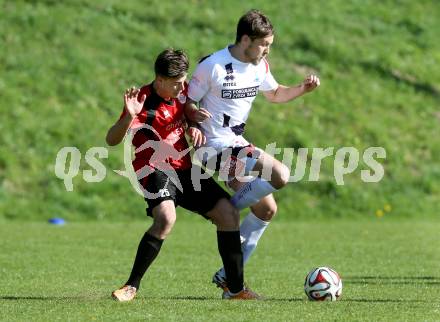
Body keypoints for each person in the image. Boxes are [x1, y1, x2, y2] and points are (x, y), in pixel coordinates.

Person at [106, 48, 260, 301]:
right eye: (176, 84)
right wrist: (128, 118)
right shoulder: (142, 100)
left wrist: (195, 124)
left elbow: (186, 115)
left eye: (183, 82)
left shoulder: (182, 91)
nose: (182, 88)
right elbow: (111, 139)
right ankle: (131, 286)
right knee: (166, 218)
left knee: (228, 214)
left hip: (185, 170)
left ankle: (235, 289)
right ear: (160, 81)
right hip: (154, 168)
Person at [185, 10, 320, 292]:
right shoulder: (213, 66)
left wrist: (302, 89)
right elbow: (186, 102)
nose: (268, 50)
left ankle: (228, 275)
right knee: (279, 174)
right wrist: (192, 122)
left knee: (266, 209)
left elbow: (275, 94)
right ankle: (225, 209)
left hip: (236, 145)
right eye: (264, 44)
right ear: (246, 39)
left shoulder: (260, 66)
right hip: (213, 147)